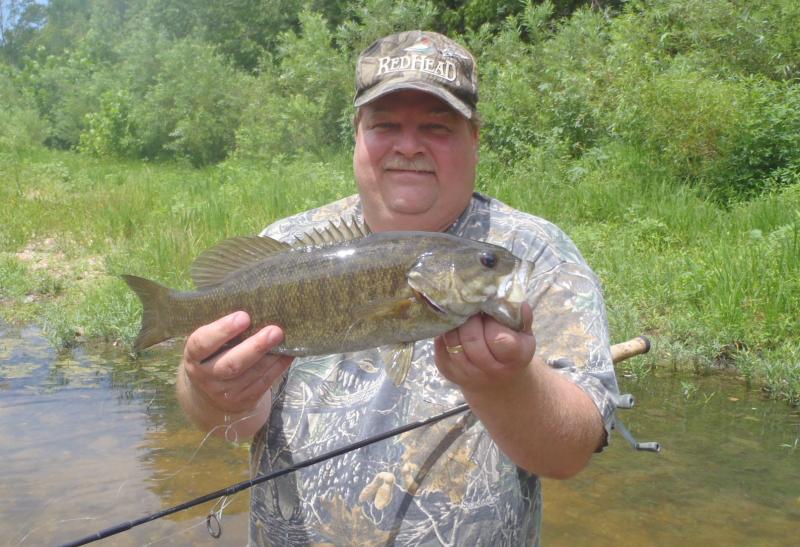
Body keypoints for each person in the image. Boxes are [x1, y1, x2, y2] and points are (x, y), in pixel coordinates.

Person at [176, 30, 619, 545]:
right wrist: (209, 392)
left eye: (437, 126)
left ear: (474, 137)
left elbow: (571, 453)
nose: (409, 146)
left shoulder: (530, 254)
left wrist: (509, 386)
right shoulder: (288, 247)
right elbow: (233, 423)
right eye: (386, 125)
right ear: (356, 132)